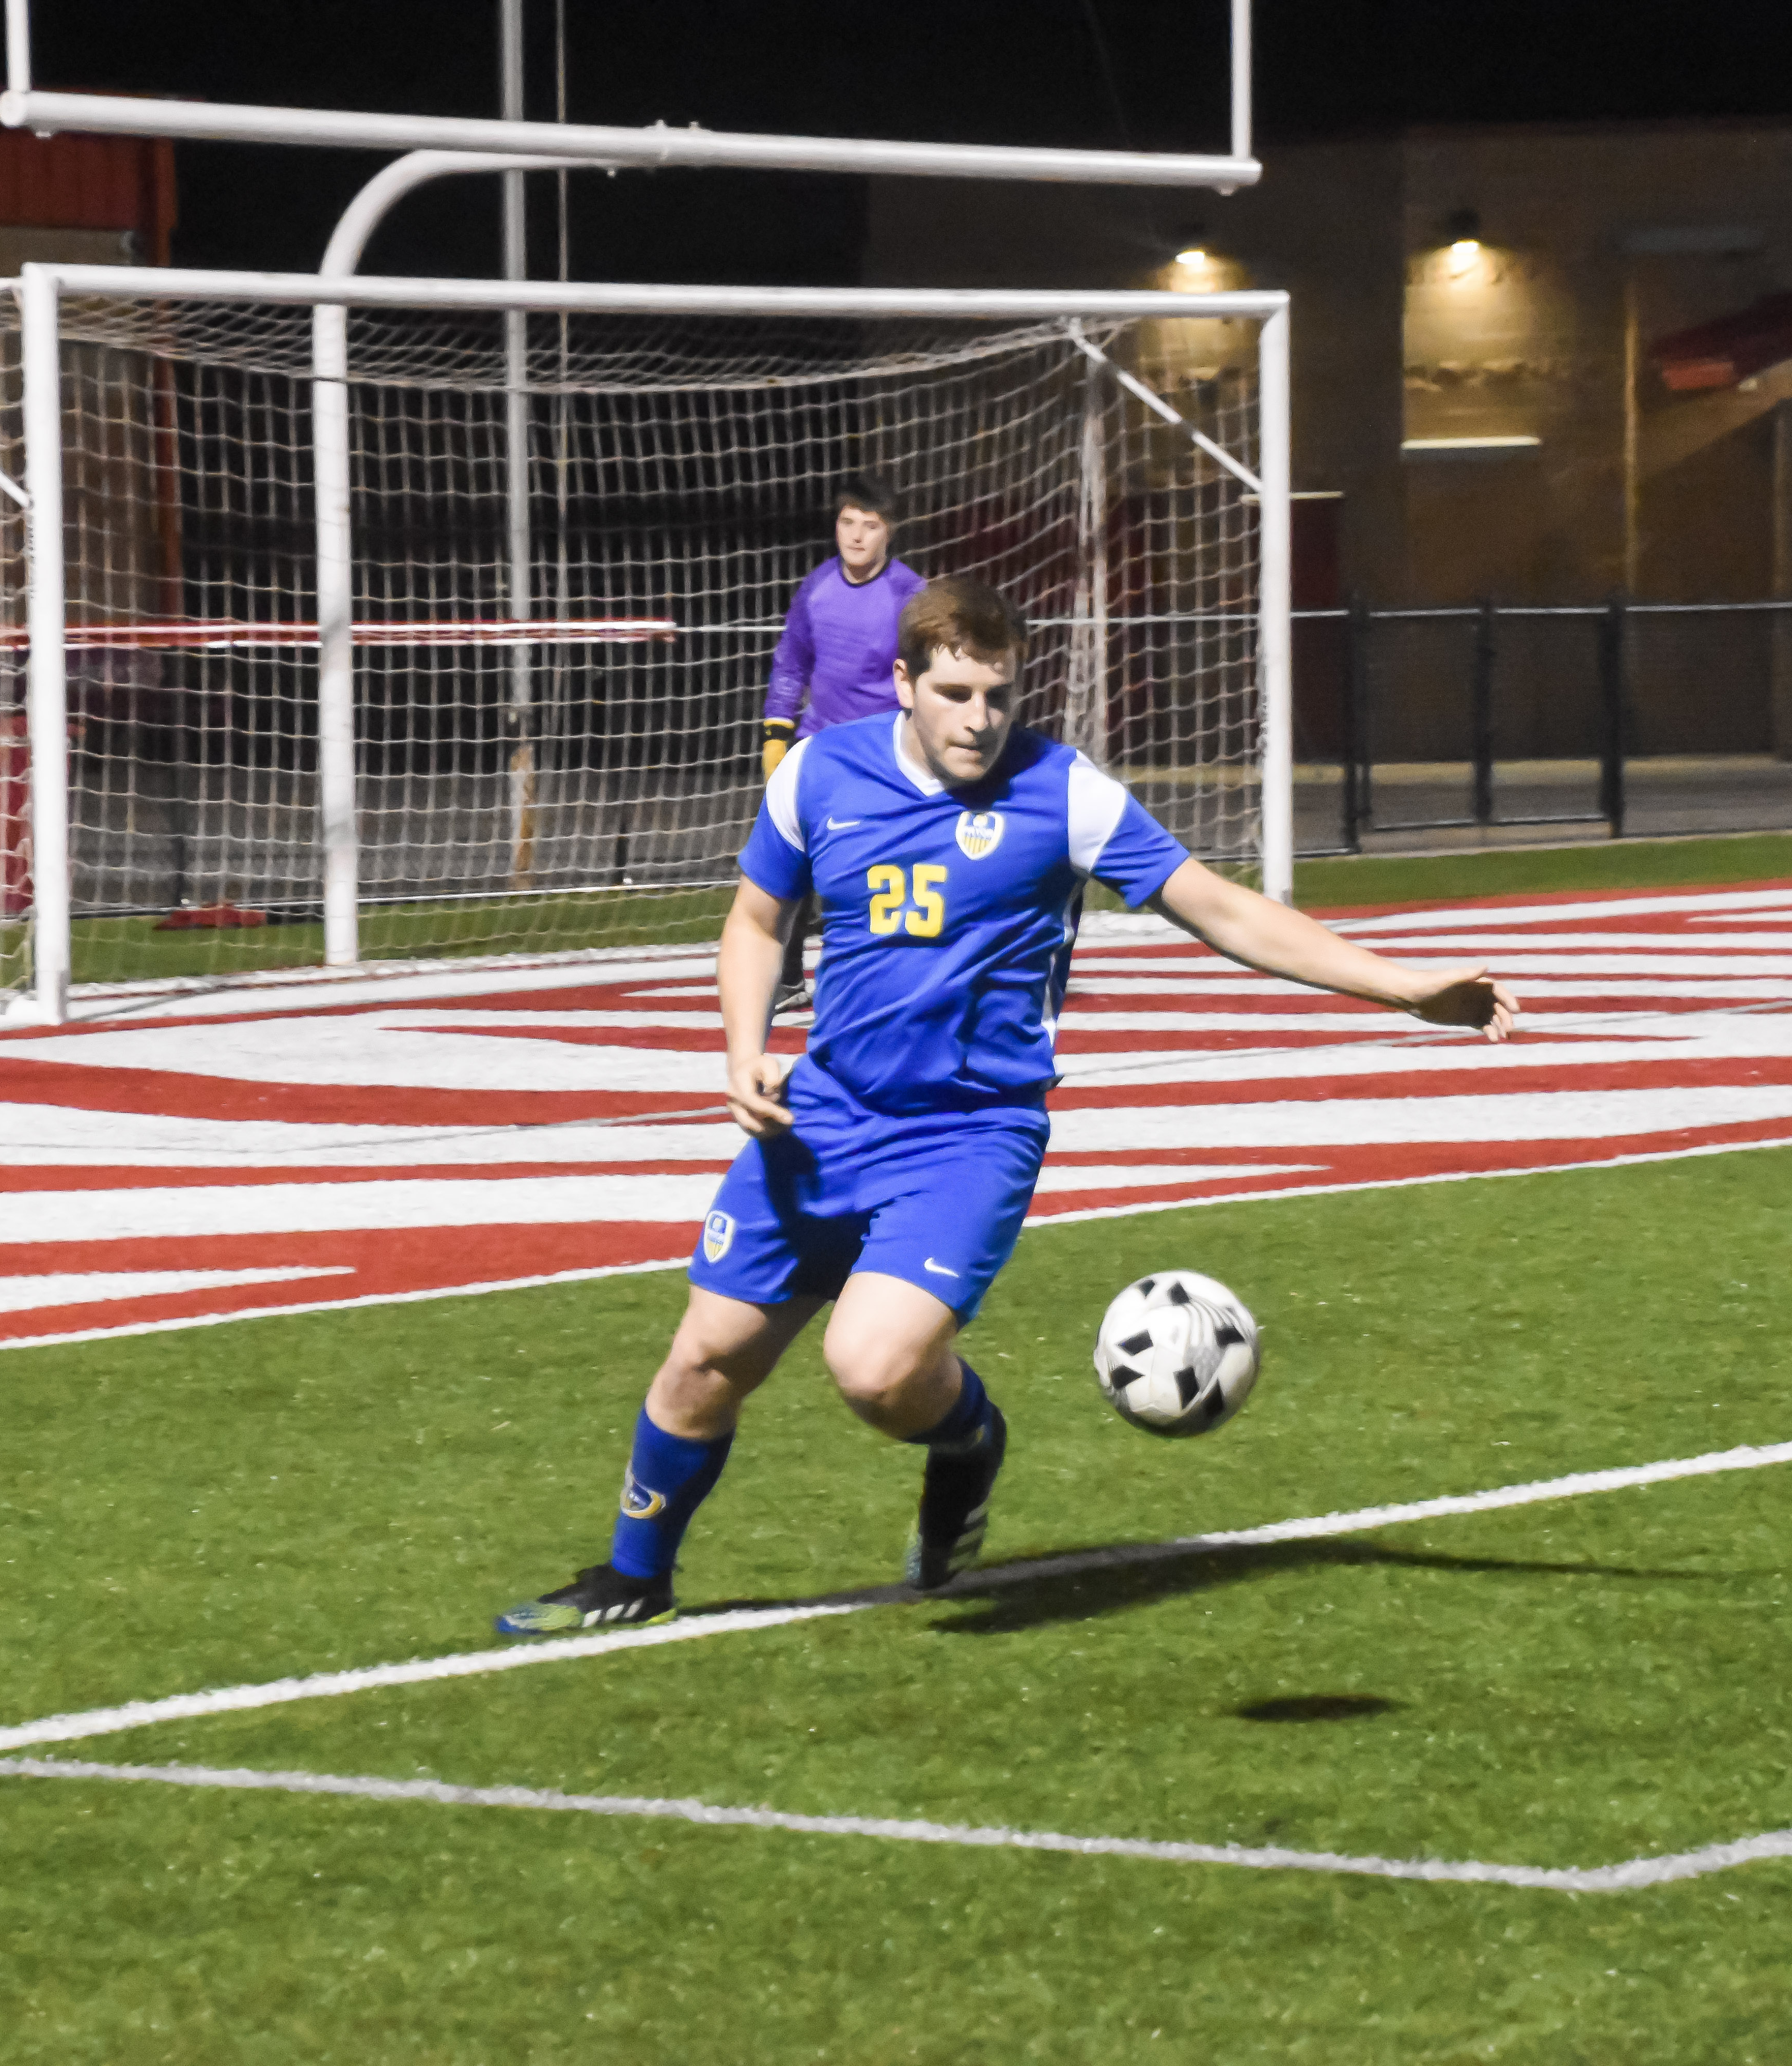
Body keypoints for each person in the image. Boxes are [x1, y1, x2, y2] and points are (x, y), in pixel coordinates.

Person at [496, 575, 1518, 1636]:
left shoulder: (1064, 794)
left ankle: (967, 1439)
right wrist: (745, 1050)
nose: (979, 719)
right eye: (953, 692)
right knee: (703, 1360)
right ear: (902, 683)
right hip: (823, 1120)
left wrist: (1407, 988)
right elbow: (758, 922)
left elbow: (1221, 909)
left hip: (968, 1137)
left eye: (998, 693)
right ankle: (633, 1578)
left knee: (876, 1369)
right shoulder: (820, 774)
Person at [760, 475, 924, 1008]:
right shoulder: (818, 587)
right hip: (818, 747)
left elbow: (927, 673)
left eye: (869, 526)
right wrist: (776, 730)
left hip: (883, 752)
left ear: (889, 532)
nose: (855, 536)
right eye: (847, 522)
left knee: (869, 869)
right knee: (792, 860)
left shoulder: (910, 594)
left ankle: (866, 978)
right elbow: (792, 659)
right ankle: (786, 980)